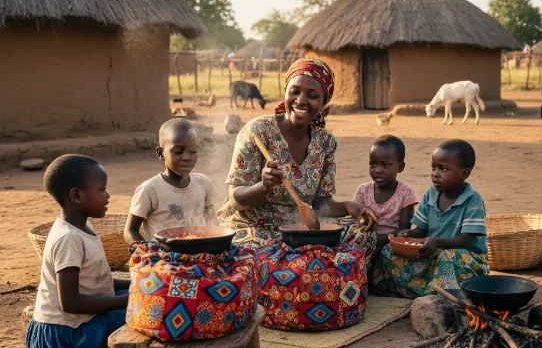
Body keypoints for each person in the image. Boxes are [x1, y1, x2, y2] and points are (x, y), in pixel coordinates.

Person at [217, 57, 377, 251]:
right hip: (253, 227)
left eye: (312, 95)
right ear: (285, 92)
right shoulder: (257, 131)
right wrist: (263, 186)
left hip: (299, 226)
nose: (301, 101)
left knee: (363, 236)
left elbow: (321, 205)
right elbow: (236, 200)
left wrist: (352, 207)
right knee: (263, 255)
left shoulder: (325, 142)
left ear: (323, 102)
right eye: (294, 92)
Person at [26, 154, 129, 348]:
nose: (108, 196)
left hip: (74, 330)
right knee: (142, 310)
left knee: (145, 296)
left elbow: (95, 282)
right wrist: (128, 300)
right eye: (102, 189)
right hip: (66, 342)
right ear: (76, 195)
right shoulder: (68, 239)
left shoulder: (83, 226)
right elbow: (71, 302)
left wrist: (136, 285)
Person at [376, 139, 489, 297]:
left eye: (443, 169)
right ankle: (423, 290)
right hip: (434, 253)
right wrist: (409, 234)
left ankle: (447, 294)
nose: (435, 174)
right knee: (389, 251)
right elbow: (421, 230)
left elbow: (467, 240)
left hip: (467, 259)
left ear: (464, 174)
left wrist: (437, 242)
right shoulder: (430, 194)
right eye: (433, 167)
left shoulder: (472, 199)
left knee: (450, 257)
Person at [124, 118, 217, 244]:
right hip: (165, 257)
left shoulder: (204, 183)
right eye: (178, 151)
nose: (186, 157)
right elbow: (130, 231)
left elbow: (213, 223)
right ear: (161, 153)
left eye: (193, 151)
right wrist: (147, 251)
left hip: (199, 253)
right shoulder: (149, 190)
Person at [353, 135, 419, 273]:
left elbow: (404, 228)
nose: (377, 170)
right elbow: (355, 220)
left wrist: (381, 240)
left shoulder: (406, 192)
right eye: (373, 164)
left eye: (385, 165)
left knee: (394, 255)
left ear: (400, 167)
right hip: (366, 239)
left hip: (390, 242)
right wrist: (367, 236)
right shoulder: (363, 190)